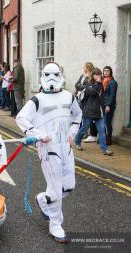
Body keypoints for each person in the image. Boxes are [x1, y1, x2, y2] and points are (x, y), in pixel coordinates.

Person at [16, 62, 82, 243]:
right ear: (43, 75)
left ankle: (44, 200)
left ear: (60, 74)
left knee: (68, 185)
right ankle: (55, 223)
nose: (51, 78)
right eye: (48, 74)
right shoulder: (37, 100)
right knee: (55, 188)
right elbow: (21, 118)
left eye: (55, 74)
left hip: (65, 146)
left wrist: (72, 134)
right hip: (48, 147)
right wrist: (38, 135)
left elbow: (78, 115)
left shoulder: (69, 96)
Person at [74, 68, 114, 155]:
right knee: (84, 128)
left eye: (100, 74)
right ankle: (77, 141)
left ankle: (104, 149)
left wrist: (106, 106)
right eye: (97, 75)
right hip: (89, 111)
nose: (99, 76)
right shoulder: (89, 84)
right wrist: (98, 82)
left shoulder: (100, 84)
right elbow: (93, 91)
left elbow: (102, 96)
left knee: (102, 130)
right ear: (94, 75)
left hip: (99, 112)